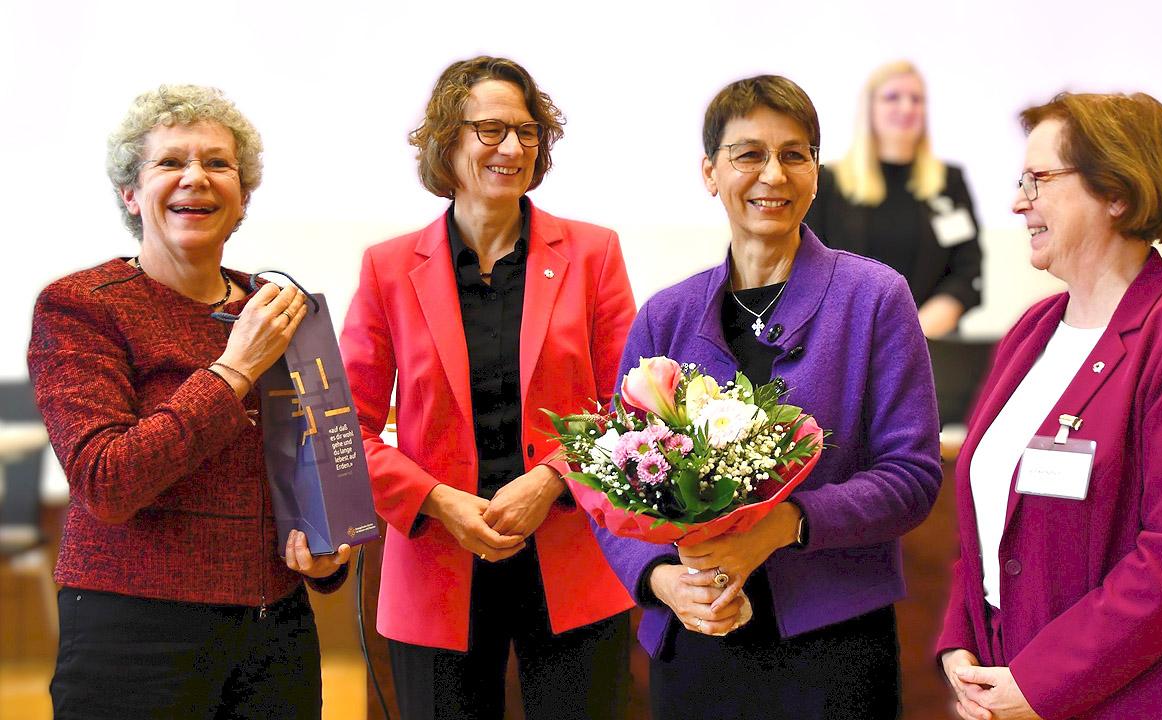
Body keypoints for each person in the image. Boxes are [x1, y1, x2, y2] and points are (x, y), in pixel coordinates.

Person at [592, 75, 942, 720]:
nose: (772, 175)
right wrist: (665, 582)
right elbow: (609, 489)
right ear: (710, 171)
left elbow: (912, 477)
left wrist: (781, 527)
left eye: (795, 154)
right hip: (692, 636)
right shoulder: (665, 316)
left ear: (815, 172)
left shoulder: (875, 299)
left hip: (832, 646)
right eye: (749, 154)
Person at [936, 92, 1162, 720]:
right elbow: (988, 522)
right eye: (1020, 180)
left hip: (1156, 701)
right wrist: (961, 645)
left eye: (1039, 180)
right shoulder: (1031, 331)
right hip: (1019, 692)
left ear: (1116, 193)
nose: (1018, 201)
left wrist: (1038, 682)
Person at [27, 84, 349, 719]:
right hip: (134, 638)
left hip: (276, 633)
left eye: (217, 164)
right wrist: (234, 369)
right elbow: (106, 481)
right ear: (129, 193)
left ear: (243, 197)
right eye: (170, 163)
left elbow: (317, 472)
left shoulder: (281, 307)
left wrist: (326, 552)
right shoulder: (81, 306)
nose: (195, 179)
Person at [339, 56, 635, 720]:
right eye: (491, 129)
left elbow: (630, 407)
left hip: (572, 556)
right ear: (448, 141)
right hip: (438, 563)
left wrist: (553, 479)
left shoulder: (594, 254)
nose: (513, 147)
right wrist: (439, 501)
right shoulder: (387, 270)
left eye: (527, 132)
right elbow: (344, 430)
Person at [805, 60, 981, 338]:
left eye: (916, 99)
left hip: (929, 344)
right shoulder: (827, 183)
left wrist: (912, 333)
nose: (907, 108)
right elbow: (810, 270)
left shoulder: (949, 184)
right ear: (869, 109)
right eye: (892, 97)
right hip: (847, 342)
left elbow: (968, 271)